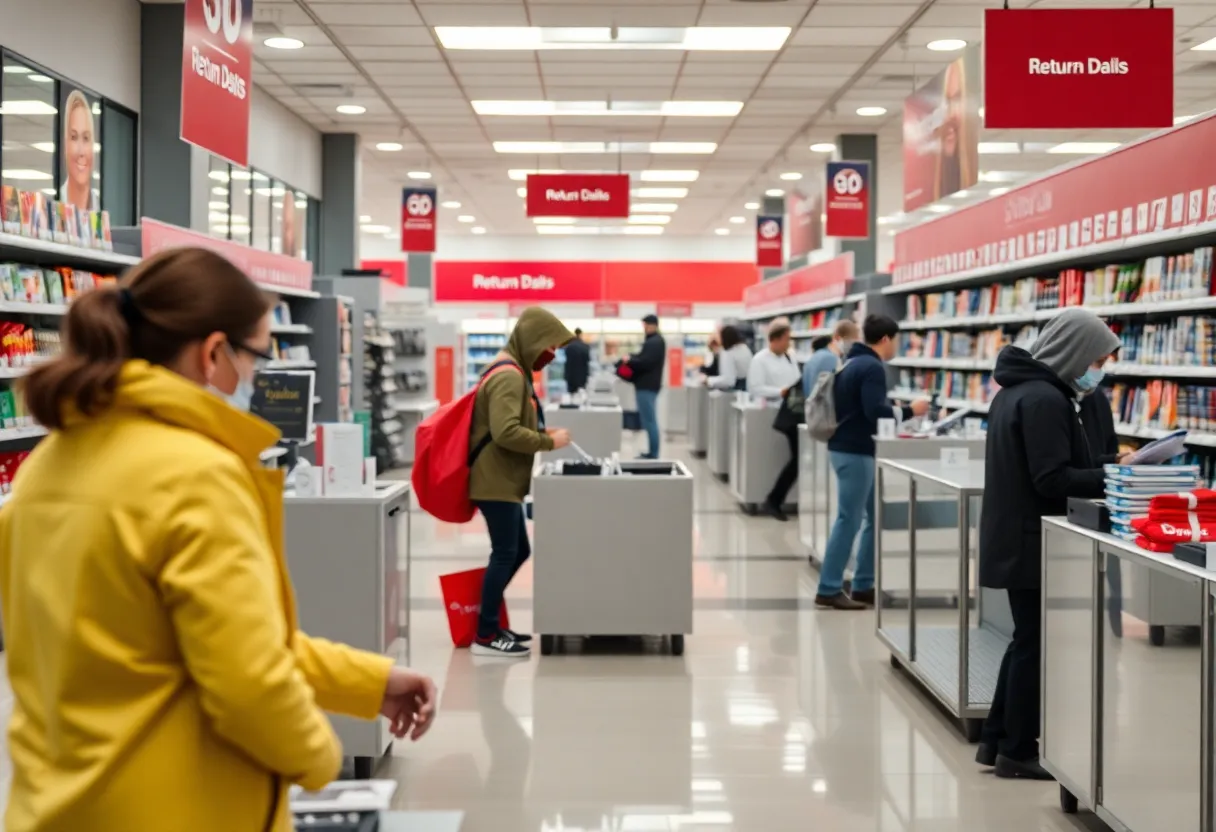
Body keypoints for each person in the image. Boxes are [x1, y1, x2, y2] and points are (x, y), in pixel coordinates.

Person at [1, 248, 438, 832]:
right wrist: (317, 757)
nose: (257, 378)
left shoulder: (43, 467)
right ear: (213, 354)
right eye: (256, 357)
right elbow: (248, 676)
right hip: (176, 810)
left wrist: (369, 681)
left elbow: (181, 646)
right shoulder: (196, 473)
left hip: (56, 807)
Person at [976, 307, 1120, 780]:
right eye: (1098, 358)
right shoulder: (1045, 400)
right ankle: (1018, 750)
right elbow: (1052, 478)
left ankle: (998, 740)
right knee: (1034, 645)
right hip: (1032, 541)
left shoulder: (1020, 391)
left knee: (1026, 641)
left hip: (1019, 536)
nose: (1100, 368)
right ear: (1075, 352)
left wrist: (1102, 464)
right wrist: (1117, 476)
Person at [470, 306, 574, 657]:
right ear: (534, 341)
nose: (552, 354)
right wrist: (547, 442)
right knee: (505, 553)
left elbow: (511, 424)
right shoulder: (509, 377)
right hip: (495, 480)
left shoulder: (513, 371)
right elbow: (505, 432)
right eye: (550, 346)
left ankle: (491, 623)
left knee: (517, 550)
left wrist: (543, 432)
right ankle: (485, 634)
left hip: (502, 480)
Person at [817, 315, 930, 610]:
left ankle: (863, 583)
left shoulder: (852, 362)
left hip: (847, 448)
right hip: (856, 451)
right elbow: (874, 412)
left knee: (871, 515)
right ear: (885, 339)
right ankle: (828, 587)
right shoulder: (871, 367)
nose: (897, 347)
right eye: (897, 340)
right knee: (849, 518)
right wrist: (909, 410)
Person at [746, 321, 803, 521]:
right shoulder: (760, 360)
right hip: (774, 411)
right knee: (798, 459)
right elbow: (755, 388)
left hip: (794, 411)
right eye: (787, 339)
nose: (789, 343)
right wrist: (780, 392)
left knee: (799, 458)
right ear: (776, 339)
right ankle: (773, 500)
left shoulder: (790, 357)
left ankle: (776, 500)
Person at [623, 314, 666, 459]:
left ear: (654, 325)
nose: (645, 328)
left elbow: (645, 363)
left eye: (646, 325)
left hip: (646, 386)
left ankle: (653, 454)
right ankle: (652, 452)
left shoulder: (654, 342)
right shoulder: (655, 342)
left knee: (649, 421)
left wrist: (630, 360)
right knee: (649, 420)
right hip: (649, 385)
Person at [60, 89, 98, 213]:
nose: (81, 151)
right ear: (65, 145)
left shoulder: (103, 213)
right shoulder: (51, 209)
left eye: (86, 138)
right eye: (74, 137)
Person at [802, 319, 860, 397]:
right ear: (837, 338)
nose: (851, 346)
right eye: (850, 341)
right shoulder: (831, 359)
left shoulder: (817, 355)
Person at [708, 324, 753, 391]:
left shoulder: (728, 353)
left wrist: (708, 380)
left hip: (734, 392)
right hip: (748, 389)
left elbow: (728, 381)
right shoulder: (745, 348)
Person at [563, 327, 591, 395]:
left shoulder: (569, 346)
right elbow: (588, 360)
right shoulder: (585, 346)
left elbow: (567, 361)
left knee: (571, 396)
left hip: (571, 375)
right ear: (581, 334)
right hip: (582, 376)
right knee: (581, 394)